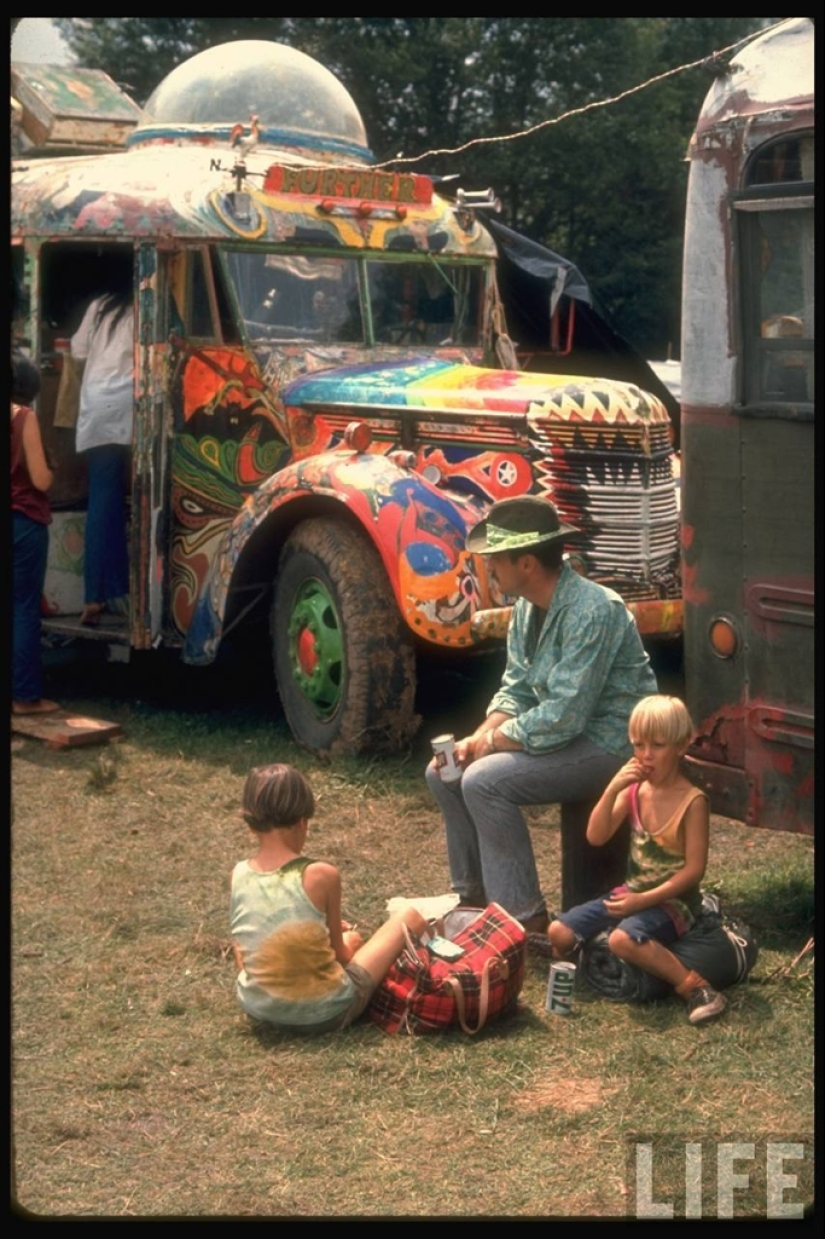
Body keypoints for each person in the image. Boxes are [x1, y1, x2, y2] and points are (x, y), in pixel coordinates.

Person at [425, 494, 658, 936]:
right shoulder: (526, 609)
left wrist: (490, 745)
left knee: (484, 780)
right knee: (446, 773)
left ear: (527, 564)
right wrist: (474, 741)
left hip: (610, 744)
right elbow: (514, 689)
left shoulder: (594, 609)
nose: (489, 566)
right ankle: (472, 903)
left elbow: (564, 717)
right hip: (566, 736)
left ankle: (525, 920)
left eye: (496, 559)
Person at [546, 695, 727, 1025]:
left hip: (675, 903)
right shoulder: (634, 790)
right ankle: (595, 959)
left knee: (622, 938)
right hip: (631, 895)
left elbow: (694, 871)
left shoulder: (693, 801)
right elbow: (595, 836)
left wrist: (642, 900)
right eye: (638, 745)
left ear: (681, 745)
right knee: (558, 932)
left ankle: (696, 988)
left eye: (657, 745)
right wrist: (613, 788)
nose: (645, 755)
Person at [230, 763, 428, 1033]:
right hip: (326, 1014)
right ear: (303, 821)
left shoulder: (239, 874)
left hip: (260, 1010)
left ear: (251, 825)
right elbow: (341, 955)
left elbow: (243, 953)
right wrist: (351, 941)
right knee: (409, 917)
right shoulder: (321, 875)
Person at [70, 270, 134, 626]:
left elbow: (78, 351)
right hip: (126, 408)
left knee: (103, 498)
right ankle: (110, 592)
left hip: (96, 408)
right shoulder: (144, 309)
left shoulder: (98, 307)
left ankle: (100, 593)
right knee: (125, 499)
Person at [11, 353, 60, 716]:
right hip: (23, 522)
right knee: (23, 610)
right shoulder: (23, 417)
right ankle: (26, 698)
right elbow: (40, 479)